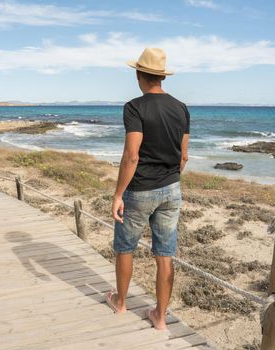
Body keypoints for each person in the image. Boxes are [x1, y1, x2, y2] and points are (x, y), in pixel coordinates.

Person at [106, 48, 190, 330]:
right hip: (171, 189)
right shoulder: (181, 108)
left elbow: (132, 155)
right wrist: (168, 179)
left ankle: (120, 302)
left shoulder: (134, 107)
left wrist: (118, 194)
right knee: (165, 254)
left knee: (125, 248)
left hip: (140, 190)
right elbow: (183, 157)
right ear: (162, 76)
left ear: (139, 75)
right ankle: (161, 317)